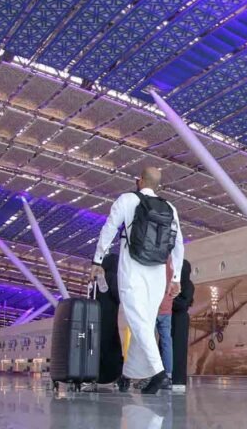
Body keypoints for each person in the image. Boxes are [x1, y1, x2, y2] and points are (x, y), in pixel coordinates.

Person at [91, 167, 184, 395]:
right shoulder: (170, 208)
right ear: (158, 185)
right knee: (142, 322)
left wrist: (98, 259)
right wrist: (176, 277)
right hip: (157, 273)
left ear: (139, 180)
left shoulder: (127, 199)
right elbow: (178, 243)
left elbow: (109, 228)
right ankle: (128, 374)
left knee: (139, 321)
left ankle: (160, 374)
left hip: (132, 269)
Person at [95, 252, 125, 387]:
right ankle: (113, 373)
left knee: (98, 345)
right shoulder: (113, 277)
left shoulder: (99, 278)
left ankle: (97, 373)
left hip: (96, 318)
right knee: (112, 344)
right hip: (110, 317)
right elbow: (118, 295)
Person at [155, 256, 178, 390]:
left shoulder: (156, 261)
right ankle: (168, 375)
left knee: (150, 341)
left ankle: (151, 374)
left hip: (155, 307)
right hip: (167, 308)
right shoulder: (174, 264)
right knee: (166, 342)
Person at [171, 260, 194, 392]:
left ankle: (178, 379)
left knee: (179, 349)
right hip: (172, 318)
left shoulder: (188, 285)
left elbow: (184, 304)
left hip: (180, 319)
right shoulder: (177, 284)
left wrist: (170, 300)